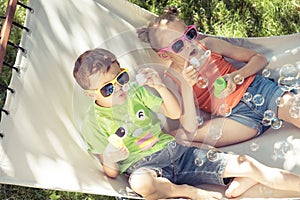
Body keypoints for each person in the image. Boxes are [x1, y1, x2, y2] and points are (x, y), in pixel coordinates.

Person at [73, 48, 300, 200]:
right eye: (107, 88)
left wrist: (160, 87)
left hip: (176, 152)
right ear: (90, 95)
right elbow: (110, 172)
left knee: (248, 165)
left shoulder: (136, 93)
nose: (119, 87)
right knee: (141, 184)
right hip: (145, 168)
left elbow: (174, 112)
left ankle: (248, 177)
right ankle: (187, 191)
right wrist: (111, 157)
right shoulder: (93, 123)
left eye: (121, 78)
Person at [137, 6, 300, 147]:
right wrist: (187, 86)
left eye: (189, 35)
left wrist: (237, 76)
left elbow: (259, 58)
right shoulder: (172, 78)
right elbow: (190, 126)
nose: (189, 44)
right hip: (236, 119)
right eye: (178, 45)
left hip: (258, 91)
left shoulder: (209, 45)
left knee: (296, 113)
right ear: (165, 56)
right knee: (177, 137)